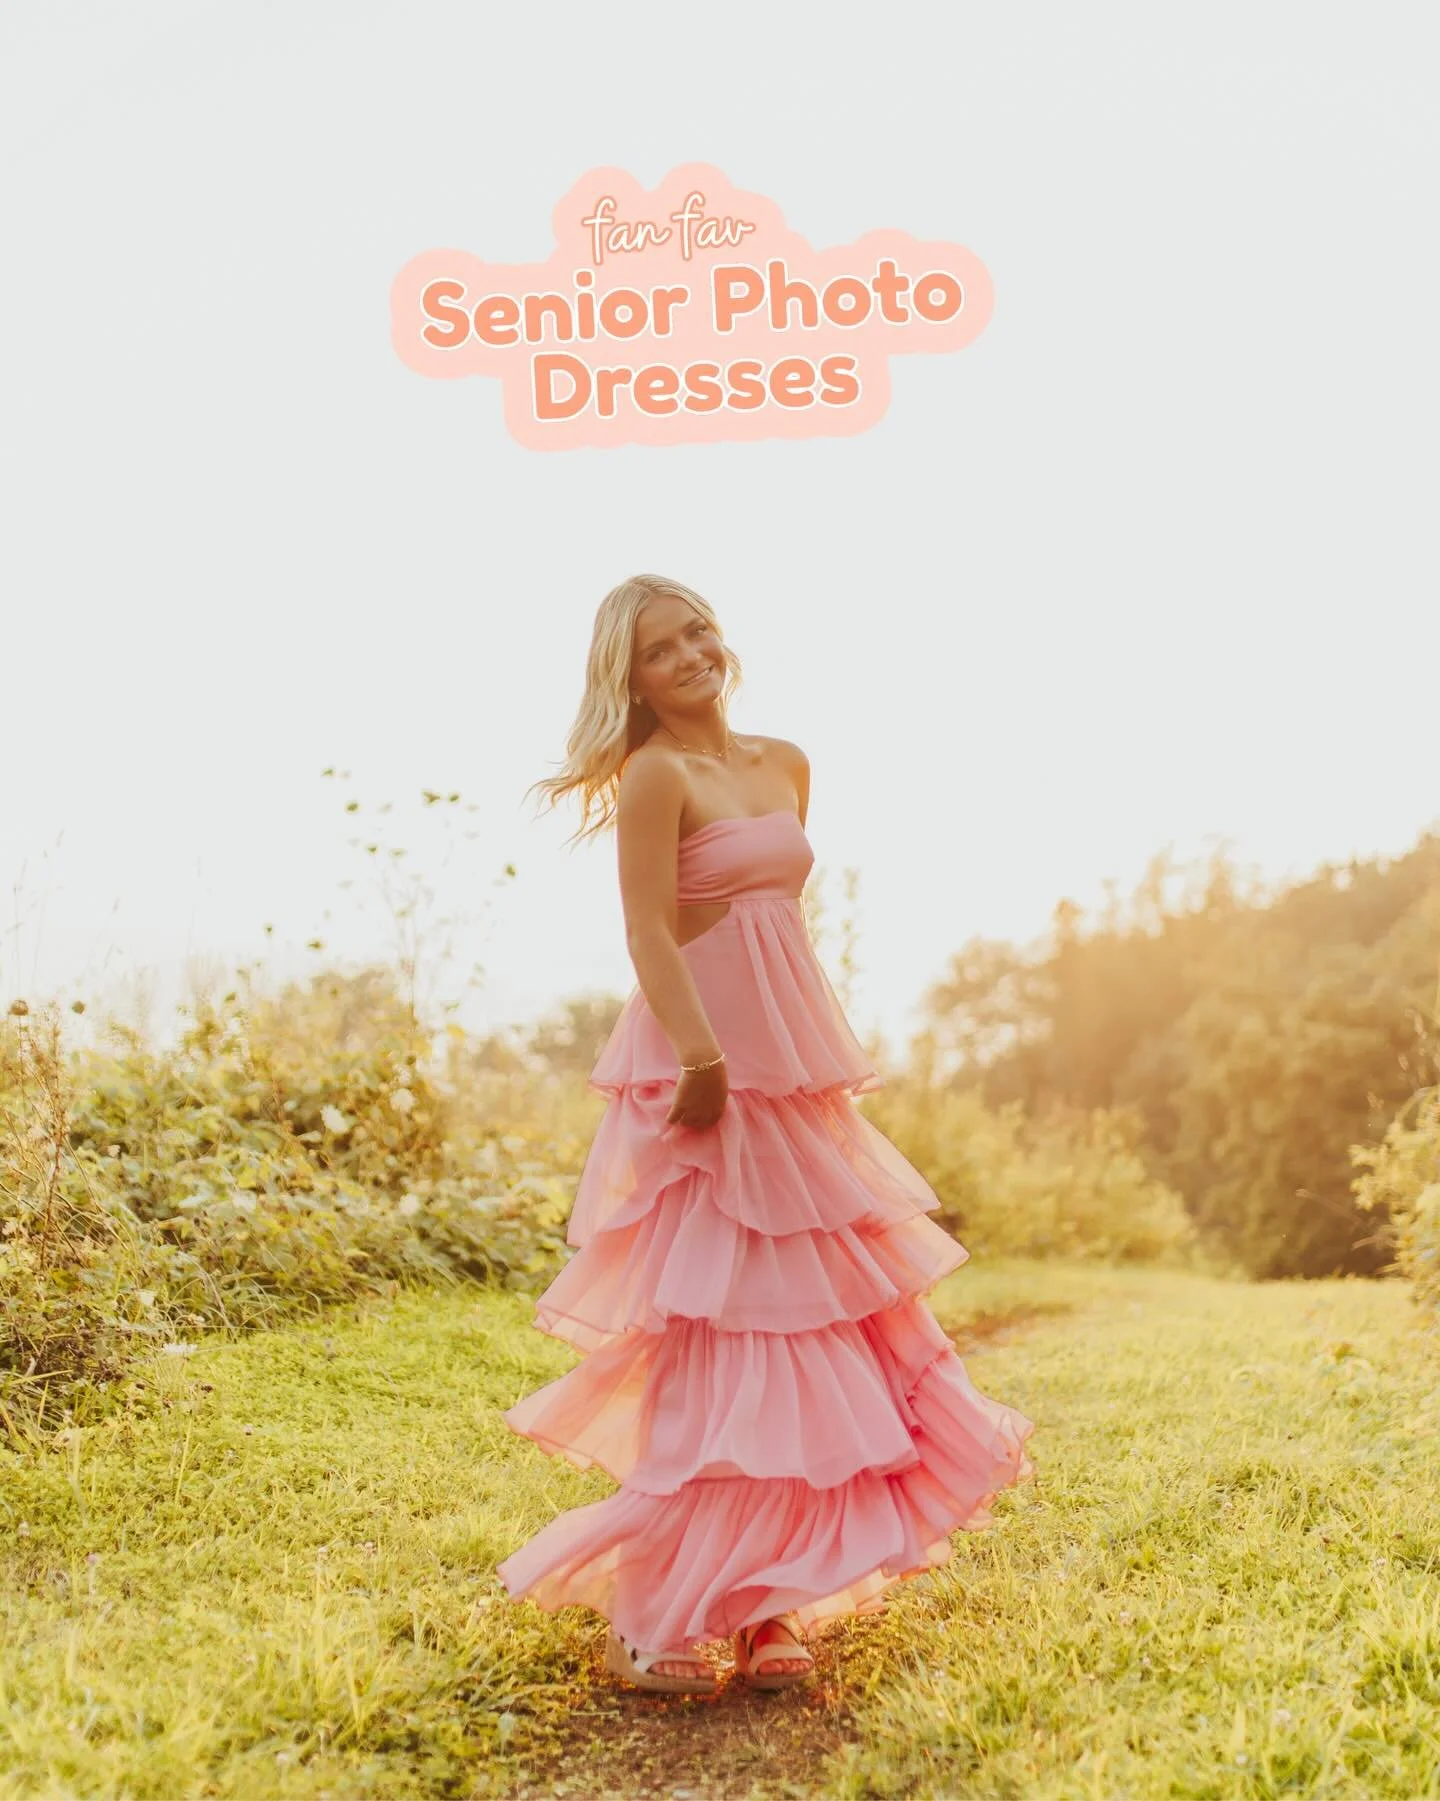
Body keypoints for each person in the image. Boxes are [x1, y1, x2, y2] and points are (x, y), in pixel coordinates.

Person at [495, 574, 1036, 1694]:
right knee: (726, 1327)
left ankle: (771, 1606)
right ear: (630, 678)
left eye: (697, 629)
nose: (690, 653)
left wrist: (785, 1053)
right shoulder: (654, 775)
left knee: (821, 1327)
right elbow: (651, 928)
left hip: (790, 1071)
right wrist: (701, 1059)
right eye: (659, 648)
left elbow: (771, 916)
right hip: (703, 1066)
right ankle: (657, 1615)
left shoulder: (785, 761)